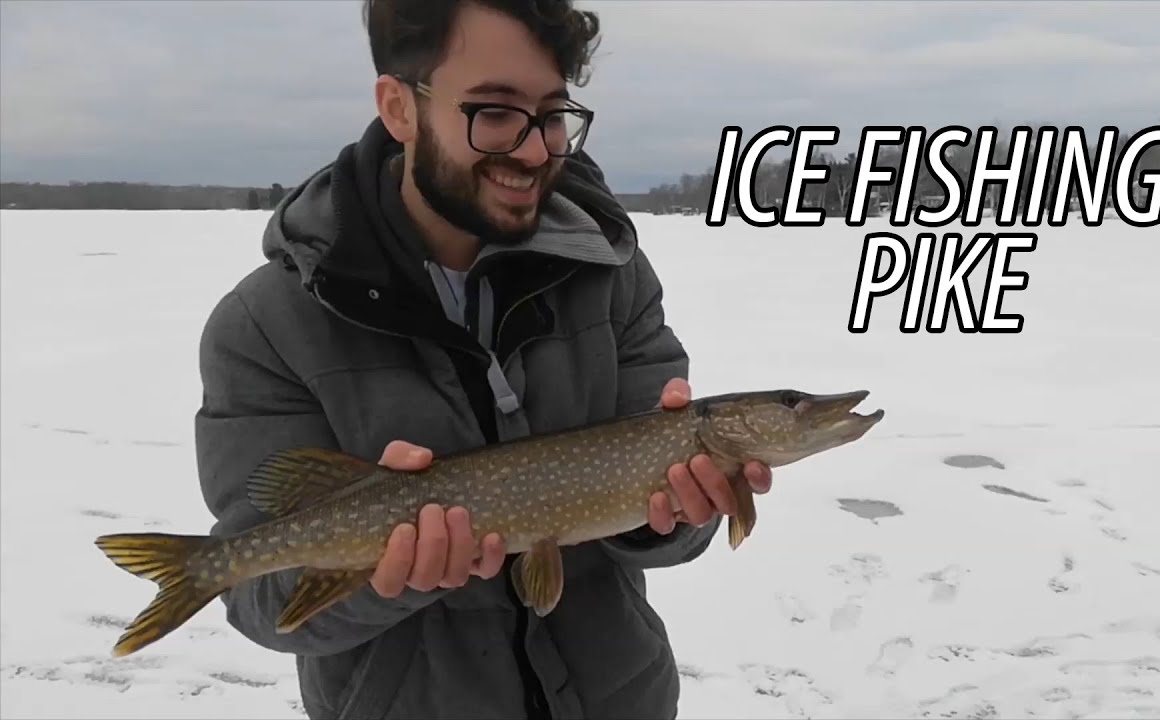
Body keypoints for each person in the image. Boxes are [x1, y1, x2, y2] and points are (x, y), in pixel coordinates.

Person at [193, 0, 773, 718]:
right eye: (494, 112)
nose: (534, 151)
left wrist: (671, 518)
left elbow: (661, 518)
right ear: (399, 108)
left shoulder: (610, 272)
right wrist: (384, 575)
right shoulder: (267, 326)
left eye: (552, 114)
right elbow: (258, 597)